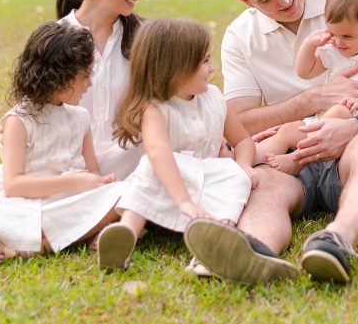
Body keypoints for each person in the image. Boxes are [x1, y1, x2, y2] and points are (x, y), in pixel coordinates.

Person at [182, 0, 358, 285]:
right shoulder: (240, 36)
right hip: (292, 161)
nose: (283, 0)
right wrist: (313, 100)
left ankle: (336, 240)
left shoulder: (350, 2)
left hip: (356, 153)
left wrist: (354, 126)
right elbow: (240, 122)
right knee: (261, 182)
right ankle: (248, 251)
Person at [0, 0, 148, 196]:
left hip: (126, 160)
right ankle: (104, 201)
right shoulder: (56, 38)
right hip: (66, 164)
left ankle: (103, 200)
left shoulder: (144, 38)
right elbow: (32, 109)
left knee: (152, 152)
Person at [0, 22, 131, 267]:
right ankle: (69, 238)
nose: (89, 84)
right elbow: (14, 185)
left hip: (69, 201)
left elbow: (92, 171)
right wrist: (76, 180)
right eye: (84, 76)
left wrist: (99, 182)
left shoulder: (80, 117)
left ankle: (34, 245)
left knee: (125, 192)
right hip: (28, 202)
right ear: (57, 76)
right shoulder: (18, 121)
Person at [93, 19, 257, 271]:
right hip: (167, 187)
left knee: (234, 176)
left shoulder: (214, 98)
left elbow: (243, 140)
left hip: (206, 184)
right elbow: (159, 152)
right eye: (204, 61)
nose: (212, 69)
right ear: (175, 68)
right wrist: (183, 201)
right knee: (150, 166)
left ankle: (214, 238)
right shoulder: (155, 107)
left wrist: (244, 164)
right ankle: (126, 233)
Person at [257, 0, 358, 175]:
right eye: (332, 33)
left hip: (353, 123)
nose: (338, 41)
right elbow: (304, 71)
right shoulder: (333, 50)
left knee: (338, 112)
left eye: (347, 36)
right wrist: (310, 44)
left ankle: (297, 159)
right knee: (287, 130)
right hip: (321, 119)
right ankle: (247, 157)